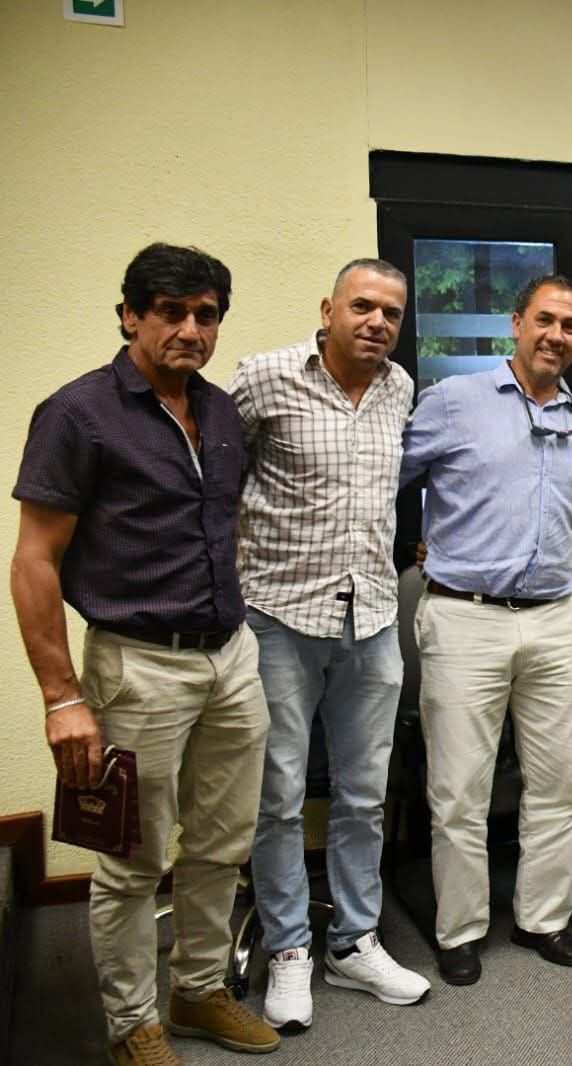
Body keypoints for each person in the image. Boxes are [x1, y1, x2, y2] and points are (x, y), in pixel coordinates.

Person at [10, 243, 279, 1063]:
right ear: (131, 314)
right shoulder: (79, 414)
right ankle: (134, 1025)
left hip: (230, 656)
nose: (190, 329)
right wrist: (63, 698)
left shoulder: (225, 413)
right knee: (130, 862)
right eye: (171, 312)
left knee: (223, 842)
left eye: (206, 315)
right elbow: (33, 561)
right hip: (137, 665)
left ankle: (199, 993)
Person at [229, 258, 430, 1030]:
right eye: (362, 307)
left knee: (363, 794)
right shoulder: (265, 378)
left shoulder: (400, 388)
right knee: (278, 796)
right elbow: (221, 481)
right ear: (328, 308)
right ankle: (287, 949)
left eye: (390, 312)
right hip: (279, 616)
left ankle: (354, 942)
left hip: (371, 619)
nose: (377, 322)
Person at [399, 274, 572, 985]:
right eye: (544, 320)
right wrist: (409, 548)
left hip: (554, 620)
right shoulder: (454, 402)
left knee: (559, 782)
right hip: (465, 619)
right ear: (515, 324)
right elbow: (386, 477)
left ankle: (543, 919)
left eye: (570, 326)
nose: (556, 335)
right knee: (460, 788)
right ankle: (459, 930)